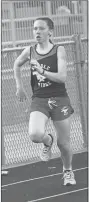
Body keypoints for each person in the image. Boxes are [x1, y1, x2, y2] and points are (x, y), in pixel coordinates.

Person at [14, 17, 76, 186]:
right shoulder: (30, 51)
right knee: (34, 135)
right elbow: (17, 64)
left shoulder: (59, 50)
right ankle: (47, 140)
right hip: (39, 99)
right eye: (35, 29)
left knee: (63, 143)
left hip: (59, 98)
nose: (37, 32)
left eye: (41, 28)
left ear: (50, 31)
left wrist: (43, 71)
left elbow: (62, 77)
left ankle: (68, 170)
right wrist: (19, 86)